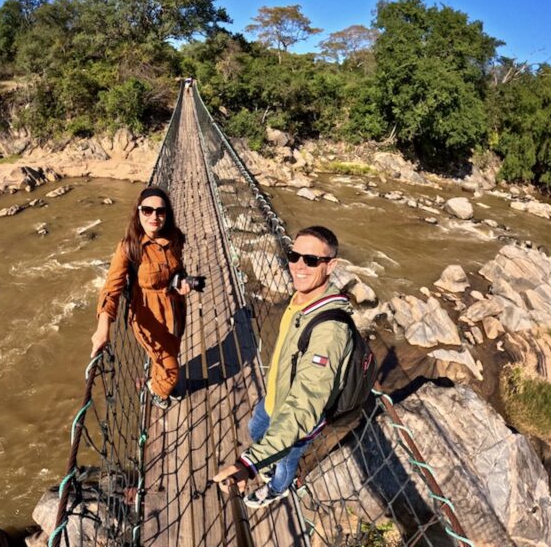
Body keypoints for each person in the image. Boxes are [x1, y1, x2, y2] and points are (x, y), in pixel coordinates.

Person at [212, 226, 354, 508]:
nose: (299, 265)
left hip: (298, 418)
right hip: (275, 397)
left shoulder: (331, 331)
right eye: (293, 255)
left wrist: (249, 463)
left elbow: (304, 406)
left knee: (287, 458)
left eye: (312, 260)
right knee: (256, 428)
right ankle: (268, 458)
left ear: (331, 266)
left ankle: (278, 487)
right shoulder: (305, 297)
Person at [91, 187, 193, 410]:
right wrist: (103, 327)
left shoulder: (175, 237)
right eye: (147, 210)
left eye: (160, 211)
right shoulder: (129, 248)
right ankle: (156, 390)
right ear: (138, 213)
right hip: (148, 320)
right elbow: (111, 289)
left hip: (176, 313)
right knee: (172, 371)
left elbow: (177, 269)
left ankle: (158, 380)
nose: (154, 217)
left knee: (169, 356)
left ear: (167, 214)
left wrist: (181, 281)